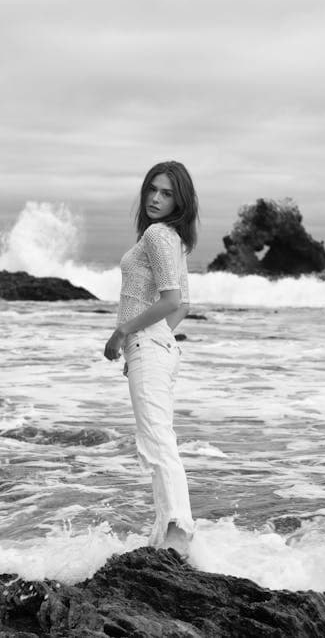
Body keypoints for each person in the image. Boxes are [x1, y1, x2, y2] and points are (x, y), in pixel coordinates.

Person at [104, 160, 199, 554]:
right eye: (152, 190)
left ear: (180, 201)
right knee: (158, 438)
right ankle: (167, 534)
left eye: (167, 193)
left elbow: (173, 301)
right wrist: (154, 339)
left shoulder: (159, 235)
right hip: (156, 347)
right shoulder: (172, 238)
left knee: (157, 440)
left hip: (149, 346)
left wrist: (127, 332)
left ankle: (177, 534)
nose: (156, 199)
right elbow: (184, 305)